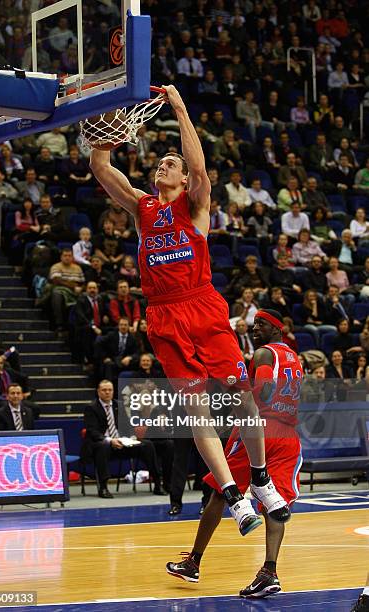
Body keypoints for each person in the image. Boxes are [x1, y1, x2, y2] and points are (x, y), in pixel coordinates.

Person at [90, 84, 290, 535]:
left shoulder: (194, 203)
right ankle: (235, 497)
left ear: (182, 179)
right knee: (197, 410)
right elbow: (100, 167)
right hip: (163, 315)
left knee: (241, 396)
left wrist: (178, 106)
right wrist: (109, 118)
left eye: (171, 164)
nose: (164, 164)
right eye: (160, 162)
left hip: (201, 305)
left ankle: (260, 479)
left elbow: (199, 166)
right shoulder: (143, 208)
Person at [166, 309, 303, 598]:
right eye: (254, 324)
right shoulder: (292, 356)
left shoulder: (265, 353)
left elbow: (263, 391)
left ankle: (193, 562)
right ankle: (269, 572)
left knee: (219, 489)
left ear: (277, 329)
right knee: (274, 503)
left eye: (261, 324)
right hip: (288, 433)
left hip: (260, 431)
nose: (255, 329)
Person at [81, 379, 164, 498]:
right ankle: (103, 487)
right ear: (98, 392)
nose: (107, 392)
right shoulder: (91, 408)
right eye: (104, 390)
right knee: (103, 446)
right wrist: (110, 440)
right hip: (102, 444)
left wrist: (131, 438)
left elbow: (127, 426)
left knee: (147, 445)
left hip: (122, 443)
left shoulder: (118, 405)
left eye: (110, 390)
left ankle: (157, 483)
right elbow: (92, 431)